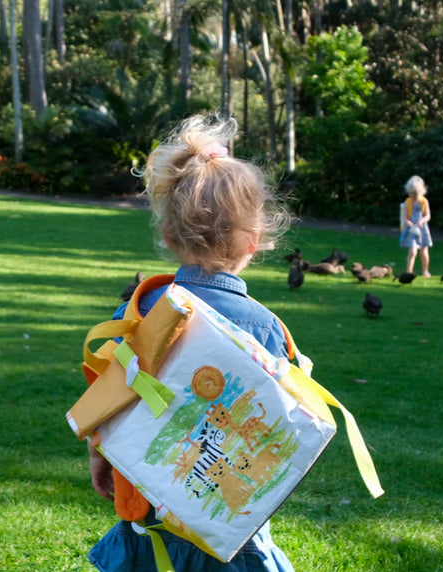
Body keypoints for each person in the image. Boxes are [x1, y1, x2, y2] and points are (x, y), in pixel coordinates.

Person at [86, 115, 295, 572]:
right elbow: (279, 434)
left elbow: (110, 396)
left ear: (167, 235)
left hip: (152, 522)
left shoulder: (141, 310)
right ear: (255, 242)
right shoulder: (264, 328)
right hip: (228, 529)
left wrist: (99, 456)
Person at [400, 175, 433, 277]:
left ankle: (425, 271)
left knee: (424, 251)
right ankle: (409, 271)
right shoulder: (407, 202)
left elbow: (428, 216)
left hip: (422, 230)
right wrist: (408, 223)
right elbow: (404, 217)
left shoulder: (424, 201)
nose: (413, 196)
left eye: (415, 193)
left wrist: (422, 221)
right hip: (412, 230)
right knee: (413, 251)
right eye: (411, 193)